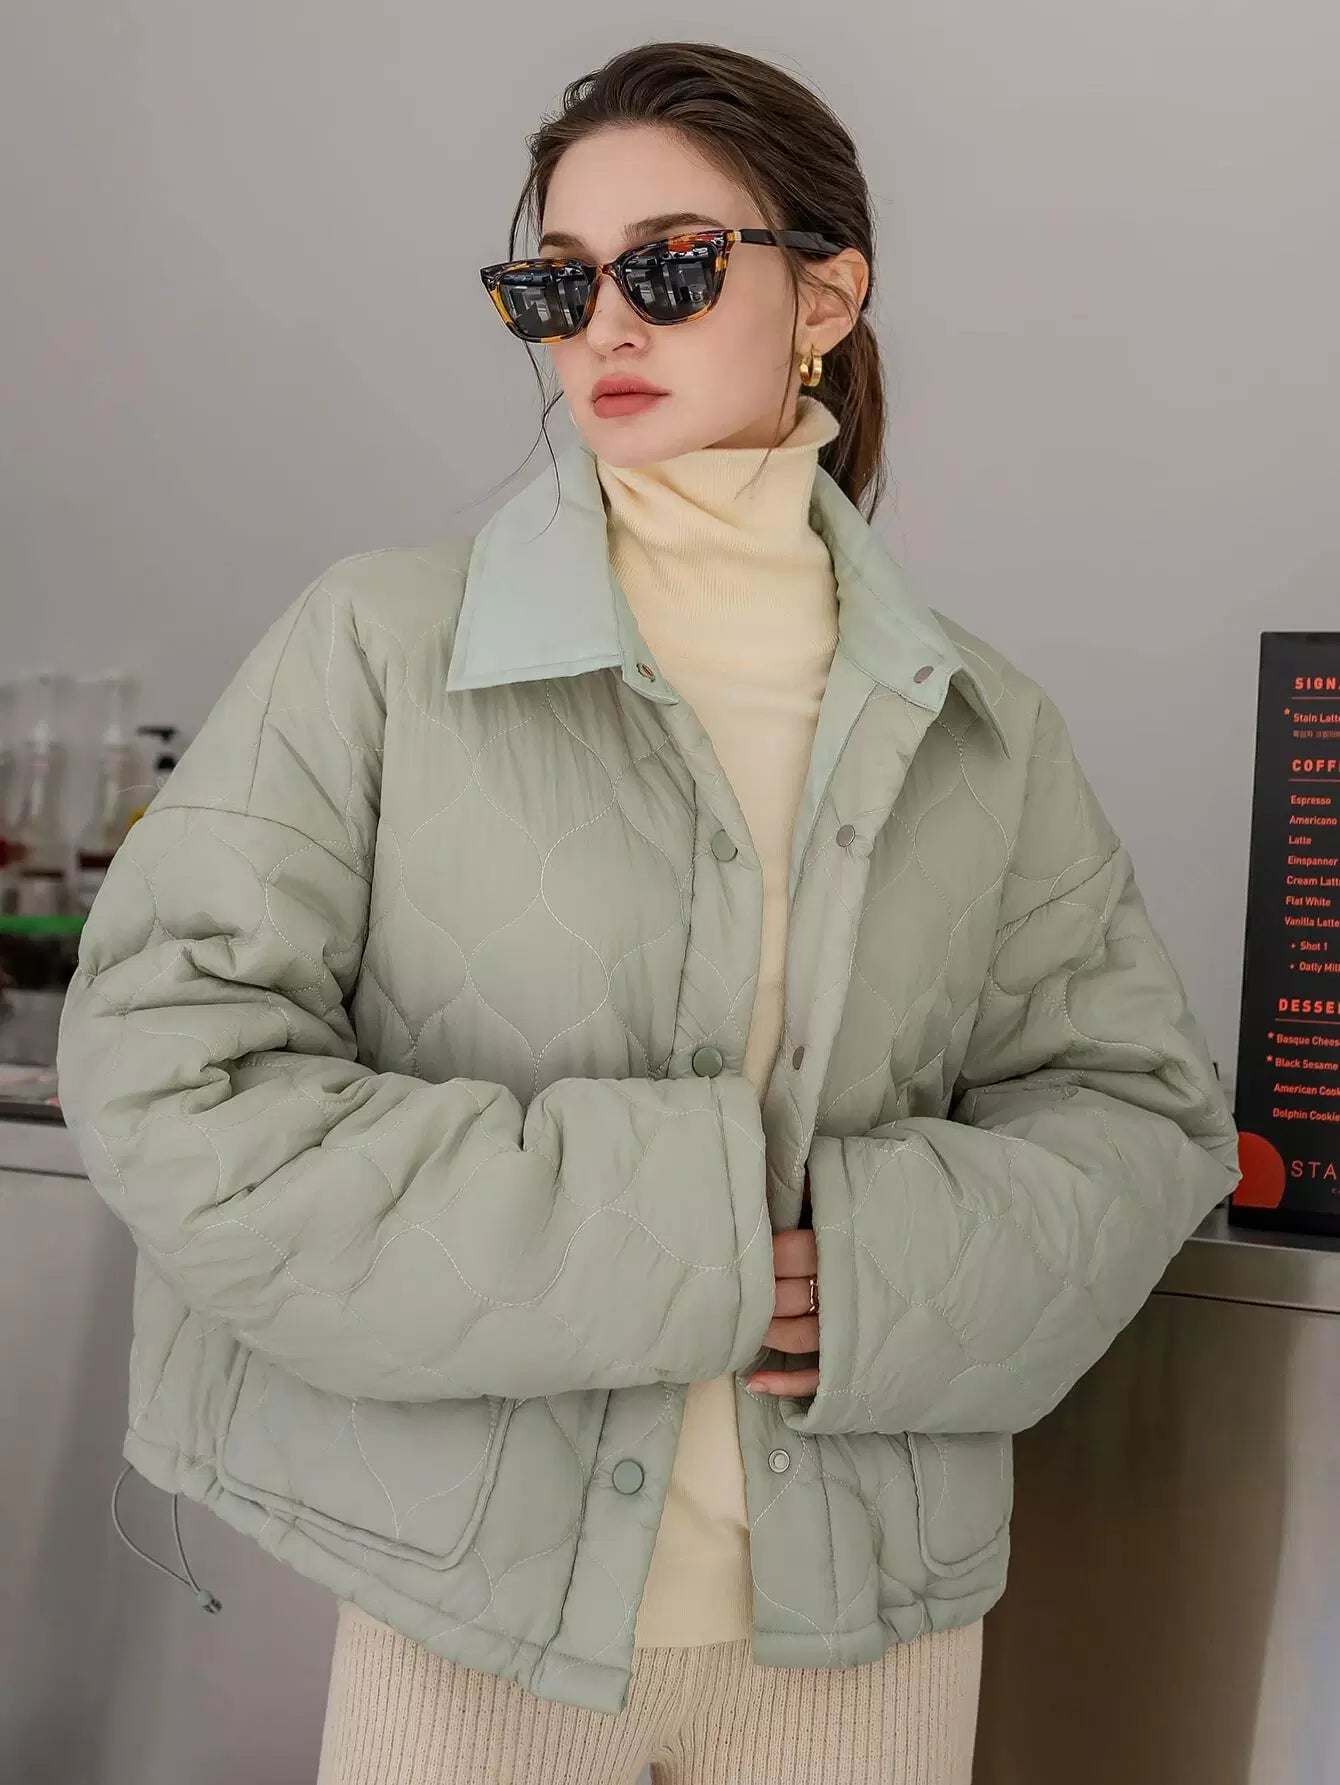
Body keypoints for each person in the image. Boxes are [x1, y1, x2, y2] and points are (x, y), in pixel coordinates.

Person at [57, 38, 1240, 1785]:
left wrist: (893, 1272)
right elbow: (170, 1076)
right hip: (475, 1618)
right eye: (558, 283)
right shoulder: (379, 648)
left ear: (825, 296)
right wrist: (672, 1240)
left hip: (869, 1625)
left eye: (670, 269)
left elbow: (1142, 1115)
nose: (604, 325)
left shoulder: (978, 722)